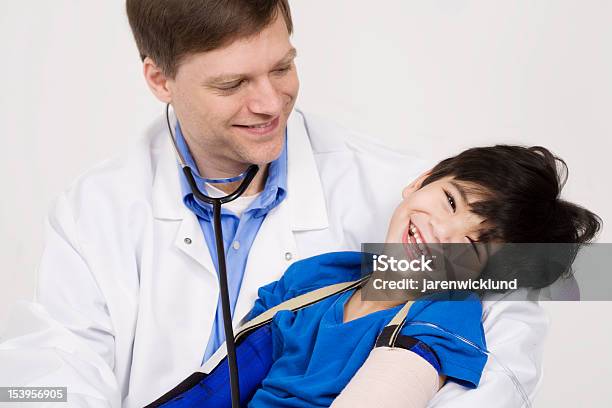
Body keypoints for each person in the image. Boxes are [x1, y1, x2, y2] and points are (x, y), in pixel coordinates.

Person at [0, 1, 550, 407]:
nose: (268, 104)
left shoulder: (408, 189)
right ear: (159, 78)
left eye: (282, 67)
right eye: (232, 83)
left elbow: (531, 286)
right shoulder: (92, 210)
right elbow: (48, 369)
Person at [166, 145, 599, 407]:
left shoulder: (439, 326)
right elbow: (220, 385)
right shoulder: (314, 280)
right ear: (420, 181)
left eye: (470, 247)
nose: (441, 235)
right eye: (450, 201)